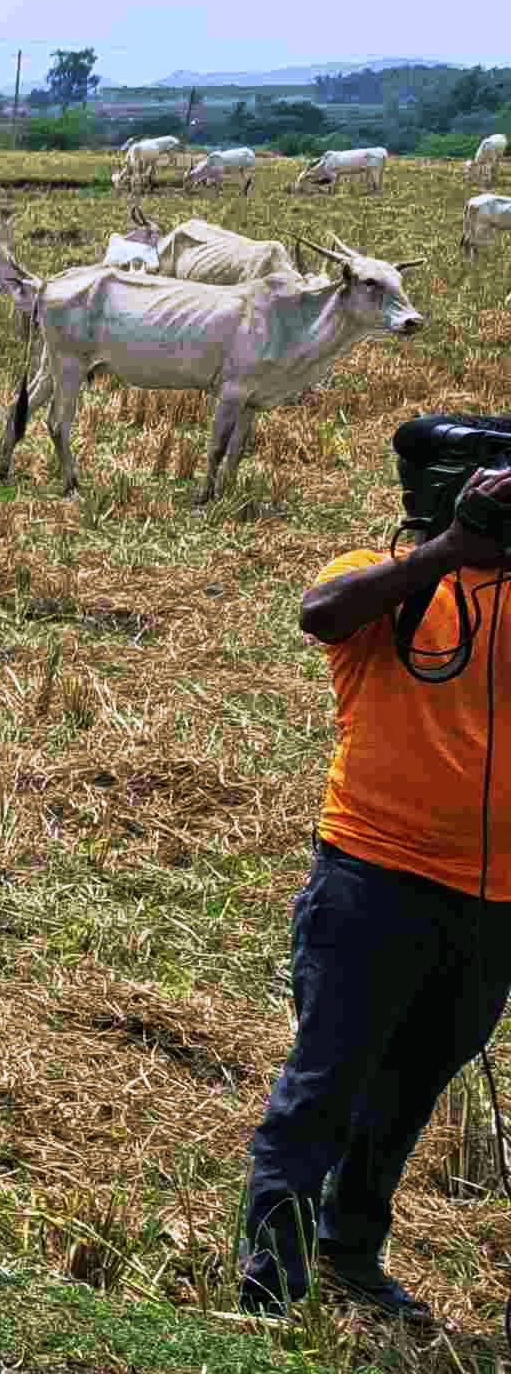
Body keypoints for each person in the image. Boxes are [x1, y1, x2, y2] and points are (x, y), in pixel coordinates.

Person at [243, 465, 511, 1321]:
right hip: (373, 875)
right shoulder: (380, 575)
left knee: (413, 1087)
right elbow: (319, 614)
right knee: (325, 1081)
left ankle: (350, 1250)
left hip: (494, 901)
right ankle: (268, 1279)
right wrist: (449, 551)